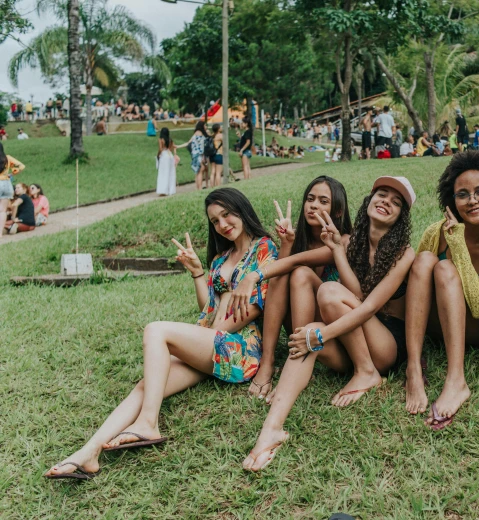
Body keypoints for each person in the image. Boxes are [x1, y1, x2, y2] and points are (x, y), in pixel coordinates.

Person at [44, 188, 278, 480]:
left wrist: (208, 335)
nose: (222, 224)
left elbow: (257, 306)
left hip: (240, 351)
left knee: (156, 330)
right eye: (215, 220)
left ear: (242, 209)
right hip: (213, 344)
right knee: (147, 385)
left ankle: (148, 422)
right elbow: (209, 308)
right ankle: (88, 453)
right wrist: (196, 273)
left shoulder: (265, 248)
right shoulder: (221, 258)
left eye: (226, 214)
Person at [243, 176, 416, 472]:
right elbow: (310, 267)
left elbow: (370, 305)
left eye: (396, 201)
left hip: (384, 343)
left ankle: (367, 373)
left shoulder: (404, 252)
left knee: (327, 295)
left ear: (401, 216)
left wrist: (323, 333)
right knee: (309, 320)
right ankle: (270, 431)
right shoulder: (351, 241)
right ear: (369, 200)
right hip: (350, 336)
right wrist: (257, 275)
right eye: (381, 194)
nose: (386, 201)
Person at [405, 151, 479, 429]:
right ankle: (414, 367)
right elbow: (418, 286)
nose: (473, 200)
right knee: (428, 260)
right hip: (442, 322)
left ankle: (456, 380)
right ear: (451, 200)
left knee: (444, 268)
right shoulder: (437, 232)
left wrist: (458, 247)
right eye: (462, 194)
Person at [233, 176, 353, 401]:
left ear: (338, 211)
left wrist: (253, 276)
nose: (314, 205)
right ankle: (268, 361)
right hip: (303, 333)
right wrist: (287, 243)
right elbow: (279, 274)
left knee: (299, 272)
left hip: (333, 338)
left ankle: (295, 366)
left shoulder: (344, 241)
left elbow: (295, 264)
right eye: (310, 199)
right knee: (281, 276)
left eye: (323, 201)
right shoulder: (299, 239)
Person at [0, 143, 24, 237]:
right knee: (2, 211)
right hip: (6, 183)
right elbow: (20, 166)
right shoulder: (7, 158)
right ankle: (0, 233)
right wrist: (12, 174)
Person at [176, 121, 209, 189]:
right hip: (200, 155)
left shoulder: (195, 134)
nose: (206, 127)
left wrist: (178, 146)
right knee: (200, 172)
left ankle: (197, 187)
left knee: (197, 172)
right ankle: (199, 188)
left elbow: (188, 143)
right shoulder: (202, 135)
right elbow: (203, 146)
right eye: (205, 125)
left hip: (194, 155)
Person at [156, 128, 177, 197]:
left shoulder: (161, 139)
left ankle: (163, 190)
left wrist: (158, 155)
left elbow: (160, 149)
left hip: (164, 155)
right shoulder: (170, 140)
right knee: (170, 173)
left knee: (163, 173)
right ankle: (171, 190)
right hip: (169, 155)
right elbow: (171, 148)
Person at [210, 123, 224, 187]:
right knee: (218, 172)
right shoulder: (220, 135)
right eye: (220, 127)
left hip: (212, 155)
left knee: (213, 172)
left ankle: (212, 186)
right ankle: (218, 186)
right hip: (219, 154)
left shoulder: (213, 136)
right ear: (218, 129)